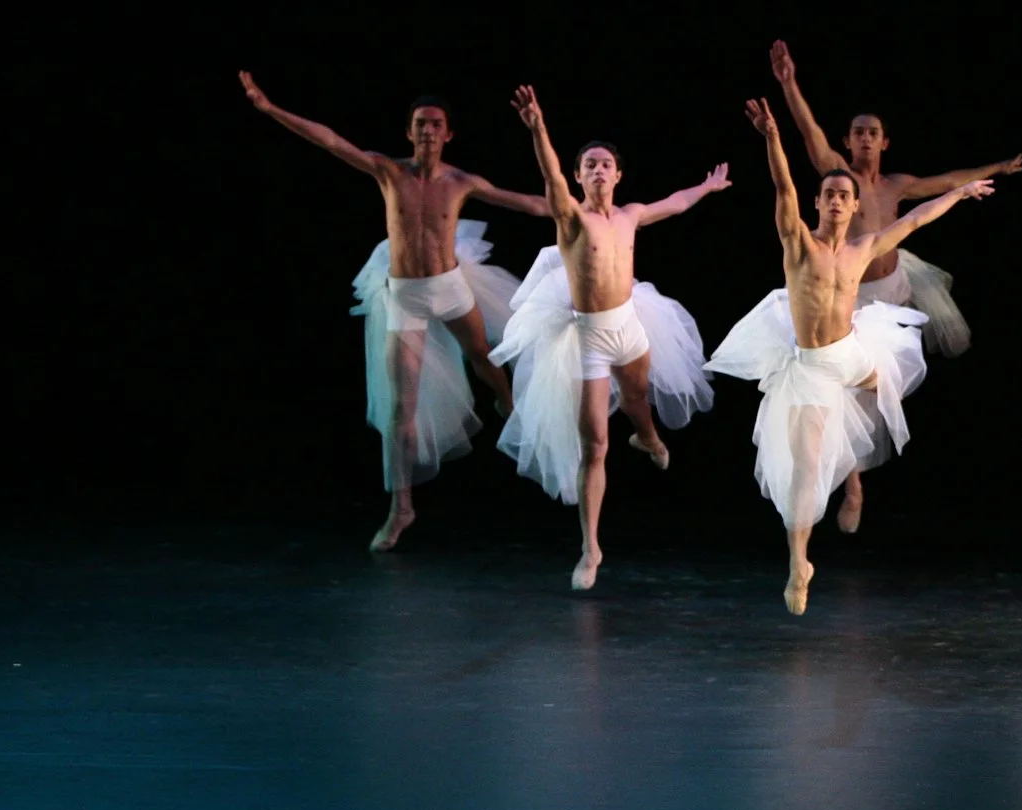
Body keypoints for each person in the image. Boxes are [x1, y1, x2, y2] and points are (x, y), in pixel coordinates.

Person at [706, 98, 995, 615]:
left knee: (885, 378)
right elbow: (782, 187)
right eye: (830, 195)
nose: (837, 201)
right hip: (814, 368)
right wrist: (773, 138)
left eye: (845, 195)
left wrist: (962, 191)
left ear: (856, 206)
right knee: (807, 468)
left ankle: (858, 460)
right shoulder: (799, 244)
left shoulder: (864, 249)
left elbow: (919, 219)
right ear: (817, 204)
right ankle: (800, 563)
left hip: (852, 352)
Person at [238, 72, 543, 551]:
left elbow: (528, 204)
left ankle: (505, 402)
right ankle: (401, 507)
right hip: (405, 294)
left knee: (483, 356)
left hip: (448, 286)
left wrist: (584, 209)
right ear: (409, 132)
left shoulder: (461, 182)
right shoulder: (389, 171)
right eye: (420, 124)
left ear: (447, 134)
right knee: (402, 408)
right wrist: (271, 109)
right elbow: (333, 143)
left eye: (435, 124)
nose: (427, 131)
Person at [491, 85, 726, 590]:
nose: (598, 170)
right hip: (590, 339)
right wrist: (538, 129)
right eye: (589, 165)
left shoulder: (630, 214)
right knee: (595, 443)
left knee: (639, 396)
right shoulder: (571, 219)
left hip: (630, 323)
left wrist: (706, 189)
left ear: (618, 175)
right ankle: (590, 548)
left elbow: (675, 204)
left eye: (605, 165)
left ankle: (648, 435)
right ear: (580, 176)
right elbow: (551, 179)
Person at [768, 39, 1021, 357]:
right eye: (858, 133)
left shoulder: (896, 185)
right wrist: (789, 83)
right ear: (847, 141)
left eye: (872, 133)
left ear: (884, 143)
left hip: (895, 282)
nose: (865, 139)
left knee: (891, 365)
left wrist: (998, 166)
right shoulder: (842, 178)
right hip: (852, 290)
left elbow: (947, 182)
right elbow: (810, 132)